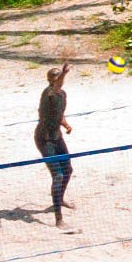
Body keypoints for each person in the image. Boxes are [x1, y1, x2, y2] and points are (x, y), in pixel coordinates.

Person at [36, 63, 78, 227]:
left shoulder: (62, 94)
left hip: (56, 135)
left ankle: (59, 199)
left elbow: (59, 114)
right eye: (56, 77)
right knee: (58, 176)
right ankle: (58, 218)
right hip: (44, 138)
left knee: (68, 170)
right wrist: (64, 73)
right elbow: (57, 85)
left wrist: (65, 124)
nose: (59, 79)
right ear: (50, 81)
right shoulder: (49, 93)